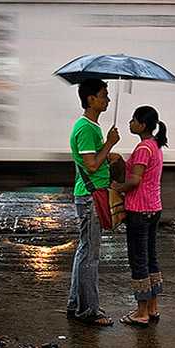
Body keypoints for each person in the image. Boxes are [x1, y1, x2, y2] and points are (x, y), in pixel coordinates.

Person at [67, 78, 119, 326]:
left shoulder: (92, 127)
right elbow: (90, 165)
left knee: (84, 251)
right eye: (104, 94)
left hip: (89, 194)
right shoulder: (87, 128)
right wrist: (109, 144)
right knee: (90, 256)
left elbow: (96, 162)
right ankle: (89, 310)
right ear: (91, 99)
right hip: (90, 197)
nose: (107, 99)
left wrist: (109, 152)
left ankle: (76, 303)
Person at [113, 106, 167, 328]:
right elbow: (140, 172)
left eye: (133, 120)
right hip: (153, 208)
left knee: (139, 260)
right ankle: (152, 308)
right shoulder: (154, 145)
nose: (130, 123)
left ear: (142, 125)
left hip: (139, 210)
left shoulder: (144, 147)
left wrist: (118, 189)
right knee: (151, 258)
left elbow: (135, 181)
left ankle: (141, 312)